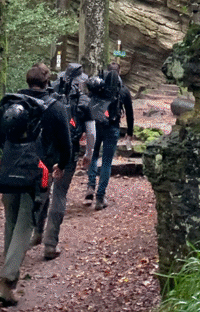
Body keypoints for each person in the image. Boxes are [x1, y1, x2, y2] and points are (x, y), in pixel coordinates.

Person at [0, 63, 71, 306]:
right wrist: (62, 165)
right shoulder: (55, 107)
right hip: (37, 174)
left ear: (27, 80)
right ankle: (7, 280)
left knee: (11, 221)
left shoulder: (12, 104)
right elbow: (66, 144)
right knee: (25, 224)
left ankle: (8, 273)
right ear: (47, 82)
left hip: (8, 171)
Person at [33, 63, 95, 260]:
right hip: (68, 153)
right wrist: (89, 154)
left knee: (43, 190)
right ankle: (50, 244)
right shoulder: (84, 101)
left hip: (45, 152)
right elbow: (91, 132)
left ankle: (36, 232)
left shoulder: (49, 96)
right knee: (59, 194)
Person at [85, 61, 134, 210]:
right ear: (119, 72)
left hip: (95, 125)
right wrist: (130, 133)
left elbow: (88, 104)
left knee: (94, 155)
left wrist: (84, 128)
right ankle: (100, 198)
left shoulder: (98, 87)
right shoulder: (123, 90)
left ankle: (90, 185)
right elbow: (130, 113)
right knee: (106, 162)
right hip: (112, 127)